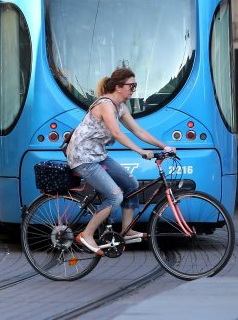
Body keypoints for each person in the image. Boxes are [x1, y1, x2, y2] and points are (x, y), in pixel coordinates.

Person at [65, 67, 172, 255]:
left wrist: (164, 146)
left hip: (97, 155)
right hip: (82, 157)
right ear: (118, 87)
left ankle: (126, 230)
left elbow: (138, 131)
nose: (134, 89)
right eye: (131, 86)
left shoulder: (120, 107)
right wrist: (140, 151)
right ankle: (86, 234)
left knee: (131, 183)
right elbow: (116, 133)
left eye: (135, 85)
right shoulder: (105, 104)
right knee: (115, 195)